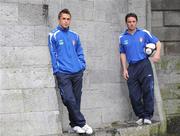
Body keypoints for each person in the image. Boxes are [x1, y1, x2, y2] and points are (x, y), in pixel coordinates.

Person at [48, 9, 93, 134]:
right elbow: (53, 54)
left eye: (68, 19)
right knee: (68, 99)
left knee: (76, 99)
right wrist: (57, 71)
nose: (66, 21)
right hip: (63, 73)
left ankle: (74, 125)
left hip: (77, 72)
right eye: (64, 18)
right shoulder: (53, 35)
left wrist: (82, 65)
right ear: (59, 19)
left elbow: (80, 52)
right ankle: (82, 123)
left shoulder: (75, 35)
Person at [119, 13, 161, 125]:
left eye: (133, 21)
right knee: (133, 94)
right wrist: (124, 69)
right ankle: (140, 115)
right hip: (131, 67)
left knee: (148, 90)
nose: (131, 23)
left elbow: (157, 42)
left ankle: (147, 116)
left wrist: (157, 54)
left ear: (136, 22)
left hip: (144, 65)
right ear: (126, 23)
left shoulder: (144, 33)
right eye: (129, 22)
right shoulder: (122, 37)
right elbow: (122, 53)